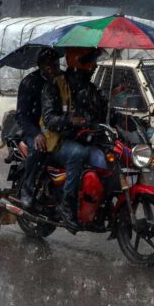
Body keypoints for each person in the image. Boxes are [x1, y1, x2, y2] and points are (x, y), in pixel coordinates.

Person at [41, 58, 91, 234]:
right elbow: (49, 119)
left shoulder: (85, 87)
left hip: (78, 137)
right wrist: (68, 120)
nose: (93, 67)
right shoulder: (53, 86)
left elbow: (96, 108)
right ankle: (67, 203)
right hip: (55, 140)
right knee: (78, 153)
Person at [15, 47, 62, 210]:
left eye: (55, 64)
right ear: (40, 65)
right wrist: (36, 133)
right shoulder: (29, 83)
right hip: (32, 130)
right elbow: (21, 116)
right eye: (49, 65)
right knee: (38, 149)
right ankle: (27, 191)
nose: (53, 69)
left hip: (56, 130)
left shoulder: (62, 81)